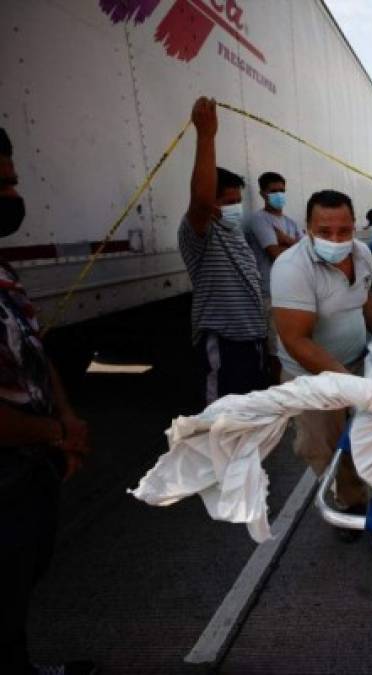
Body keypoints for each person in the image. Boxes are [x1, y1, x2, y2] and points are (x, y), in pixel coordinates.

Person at [0, 128, 97, 674]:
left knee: (19, 586)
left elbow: (34, 350)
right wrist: (54, 434)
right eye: (1, 184)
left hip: (26, 467)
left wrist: (65, 417)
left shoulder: (4, 274)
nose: (12, 197)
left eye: (11, 181)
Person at [270, 190, 372, 559]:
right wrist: (350, 386)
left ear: (354, 226)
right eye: (325, 231)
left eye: (344, 230)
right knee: (324, 449)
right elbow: (296, 341)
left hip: (357, 361)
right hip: (309, 377)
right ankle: (351, 507)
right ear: (307, 228)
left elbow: (366, 300)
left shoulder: (362, 254)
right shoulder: (292, 268)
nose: (337, 240)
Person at [178, 97, 268, 404]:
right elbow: (202, 200)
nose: (234, 208)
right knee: (223, 424)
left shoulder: (235, 231)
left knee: (251, 421)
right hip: (224, 344)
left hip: (251, 341)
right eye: (227, 201)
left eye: (237, 201)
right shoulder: (201, 232)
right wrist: (206, 136)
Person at [246, 171, 301, 382]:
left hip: (291, 293)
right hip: (270, 293)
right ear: (263, 193)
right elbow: (275, 254)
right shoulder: (260, 220)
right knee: (275, 351)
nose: (279, 195)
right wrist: (294, 244)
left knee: (292, 345)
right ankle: (276, 391)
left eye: (282, 191)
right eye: (274, 191)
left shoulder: (289, 222)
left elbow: (307, 253)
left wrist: (285, 239)